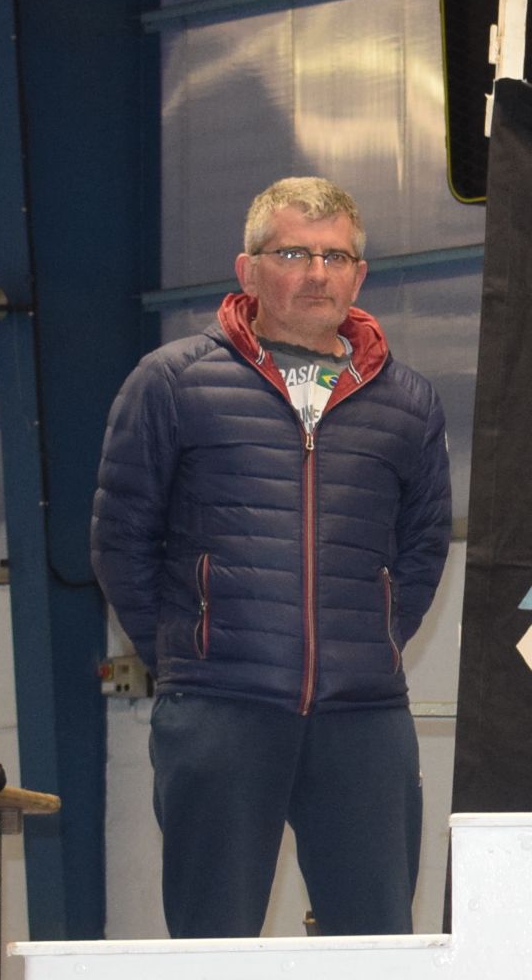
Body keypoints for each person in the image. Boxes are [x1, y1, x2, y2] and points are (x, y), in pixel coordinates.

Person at [92, 175, 453, 940]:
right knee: (213, 951)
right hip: (220, 710)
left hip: (364, 716)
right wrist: (188, 652)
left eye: (335, 257)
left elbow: (424, 545)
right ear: (248, 269)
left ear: (359, 274)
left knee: (379, 950)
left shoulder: (409, 402)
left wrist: (377, 638)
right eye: (293, 253)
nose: (317, 273)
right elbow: (120, 537)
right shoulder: (172, 382)